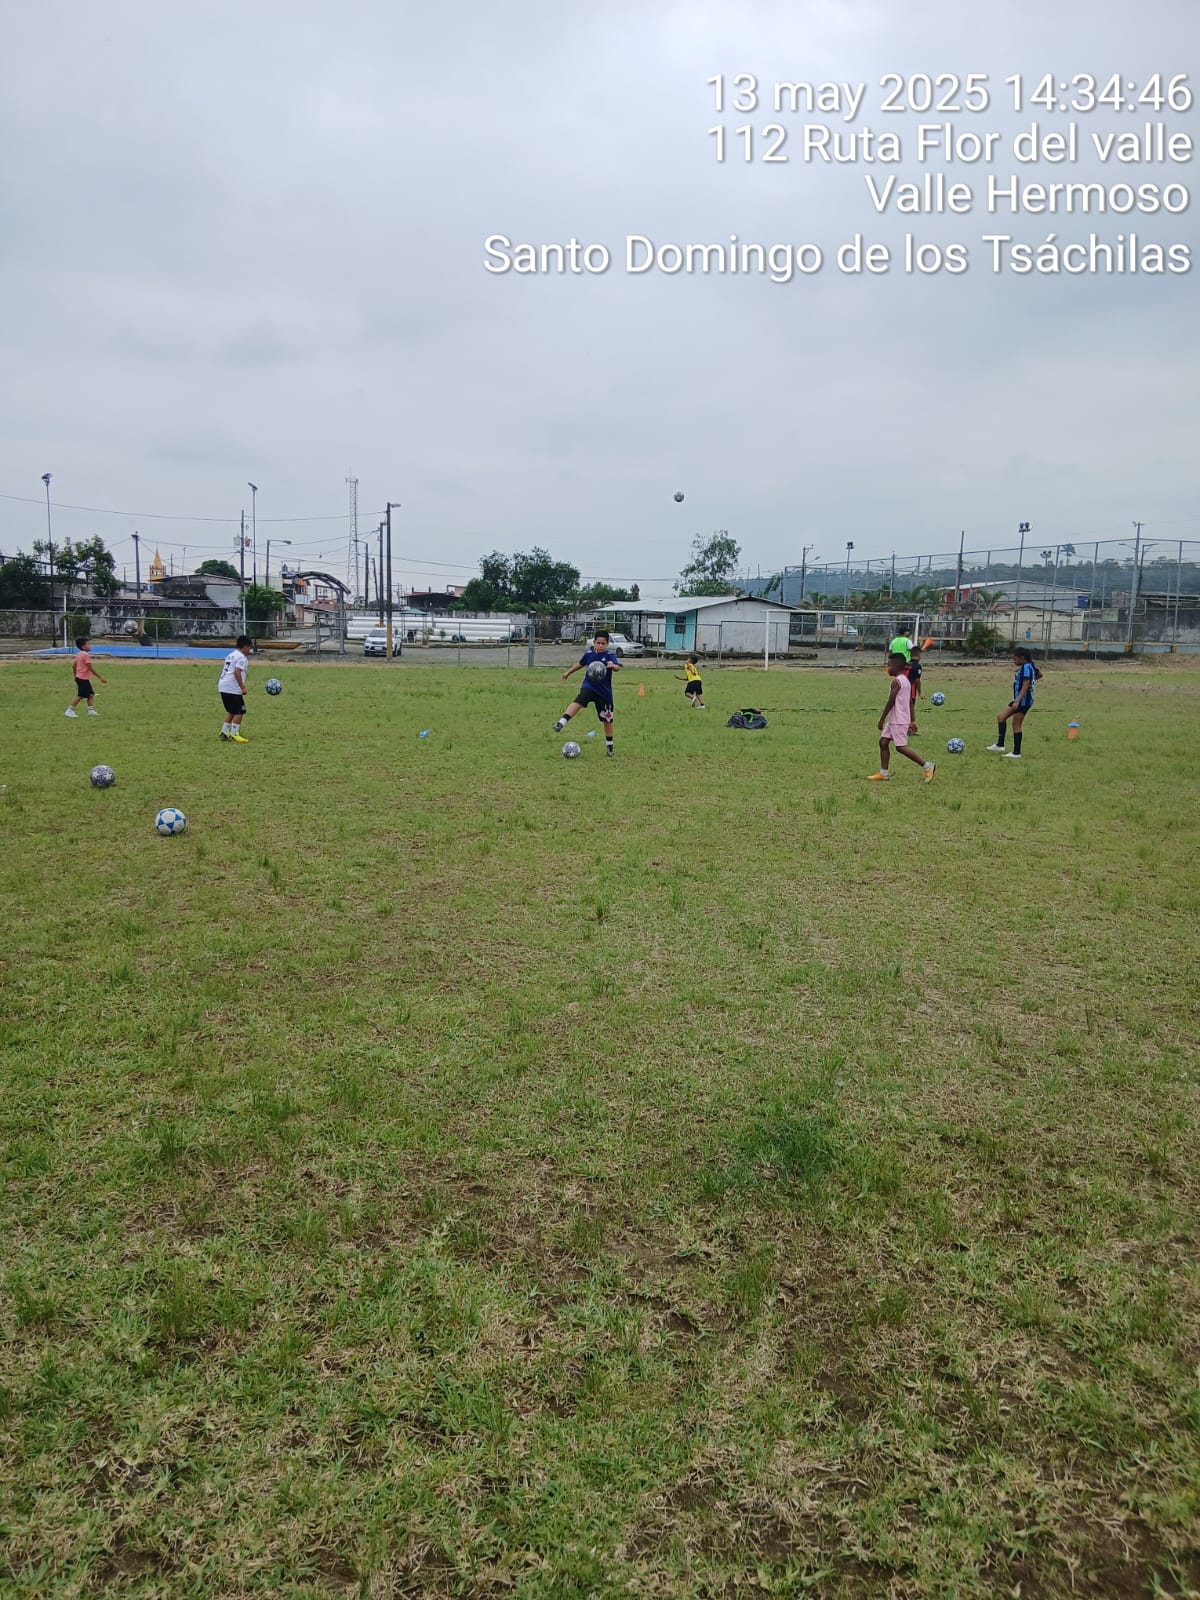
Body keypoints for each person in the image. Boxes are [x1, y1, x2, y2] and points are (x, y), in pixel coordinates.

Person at [868, 653, 935, 782]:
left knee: (900, 747)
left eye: (889, 665)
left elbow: (891, 701)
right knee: (883, 742)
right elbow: (910, 702)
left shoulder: (897, 681)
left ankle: (928, 766)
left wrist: (882, 718)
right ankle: (884, 773)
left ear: (896, 666)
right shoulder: (906, 681)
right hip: (896, 719)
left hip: (898, 720)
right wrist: (912, 720)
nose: (887, 668)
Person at [555, 630, 620, 756]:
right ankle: (561, 722)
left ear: (607, 644)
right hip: (589, 687)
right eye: (598, 643)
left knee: (607, 720)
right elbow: (580, 664)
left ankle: (609, 746)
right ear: (594, 643)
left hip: (604, 693)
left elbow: (617, 667)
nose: (600, 645)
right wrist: (568, 672)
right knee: (579, 700)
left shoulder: (609, 656)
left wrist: (613, 666)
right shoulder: (589, 655)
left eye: (603, 643)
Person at [987, 647, 1042, 759]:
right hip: (1018, 699)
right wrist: (1032, 680)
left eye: (1015, 659)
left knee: (1016, 724)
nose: (1014, 661)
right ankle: (1000, 745)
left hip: (1023, 701)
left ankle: (1016, 752)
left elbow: (1026, 684)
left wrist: (1018, 700)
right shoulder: (1029, 666)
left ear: (1022, 658)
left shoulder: (1026, 667)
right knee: (1001, 717)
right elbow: (1040, 675)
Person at [218, 634, 252, 742]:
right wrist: (242, 687)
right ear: (245, 646)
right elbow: (237, 671)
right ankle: (234, 734)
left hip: (223, 685)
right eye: (249, 648)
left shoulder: (231, 655)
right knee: (240, 710)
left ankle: (224, 731)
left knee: (231, 710)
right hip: (232, 687)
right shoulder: (242, 658)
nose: (249, 650)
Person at [65, 636, 106, 718]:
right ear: (83, 646)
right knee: (80, 695)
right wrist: (100, 677)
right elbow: (90, 668)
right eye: (88, 644)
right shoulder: (86, 655)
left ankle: (91, 711)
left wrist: (75, 675)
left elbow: (73, 665)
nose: (90, 645)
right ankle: (69, 711)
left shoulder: (79, 654)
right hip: (83, 678)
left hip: (80, 678)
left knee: (91, 694)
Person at [904, 644, 924, 733]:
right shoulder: (917, 666)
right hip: (911, 690)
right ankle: (909, 728)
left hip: (902, 689)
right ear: (919, 655)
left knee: (904, 708)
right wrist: (920, 692)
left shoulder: (906, 664)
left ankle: (906, 727)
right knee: (910, 709)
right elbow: (917, 680)